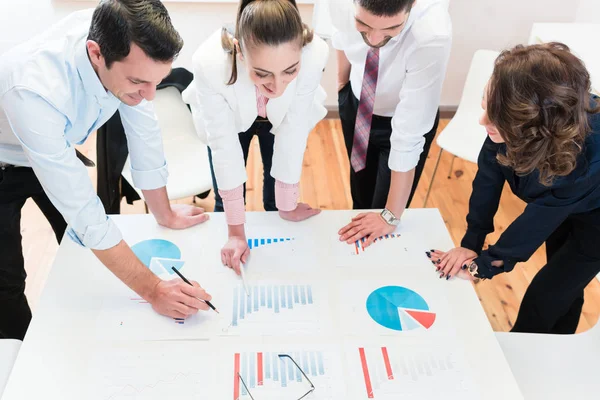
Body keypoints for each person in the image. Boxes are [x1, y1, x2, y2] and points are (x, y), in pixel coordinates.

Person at [0, 0, 212, 340]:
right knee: (6, 280)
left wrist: (164, 212)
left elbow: (144, 130)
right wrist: (154, 290)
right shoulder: (34, 88)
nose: (149, 94)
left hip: (54, 144)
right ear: (96, 53)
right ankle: (21, 361)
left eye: (156, 82)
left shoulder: (122, 38)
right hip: (7, 158)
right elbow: (85, 213)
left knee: (82, 254)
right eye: (138, 82)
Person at [430, 43, 600, 334]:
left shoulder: (582, 158)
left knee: (545, 296)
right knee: (565, 288)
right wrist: (471, 244)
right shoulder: (512, 112)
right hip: (565, 200)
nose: (482, 122)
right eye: (486, 106)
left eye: (496, 117)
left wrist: (482, 266)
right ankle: (556, 348)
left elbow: (536, 222)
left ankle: (519, 364)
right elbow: (488, 177)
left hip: (596, 216)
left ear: (539, 125)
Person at [183, 0, 329, 273]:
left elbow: (294, 128)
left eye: (289, 71)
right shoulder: (210, 63)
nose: (277, 86)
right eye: (262, 74)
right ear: (239, 51)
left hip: (280, 118)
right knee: (223, 196)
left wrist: (287, 205)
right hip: (230, 117)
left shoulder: (315, 54)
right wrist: (236, 233)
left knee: (276, 198)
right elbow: (224, 149)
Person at [325, 0, 452, 248]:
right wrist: (342, 86)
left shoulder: (431, 32)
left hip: (402, 118)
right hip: (358, 105)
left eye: (390, 29)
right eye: (363, 24)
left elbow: (408, 134)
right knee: (360, 194)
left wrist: (390, 217)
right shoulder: (339, 4)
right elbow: (339, 32)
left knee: (383, 220)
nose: (373, 39)